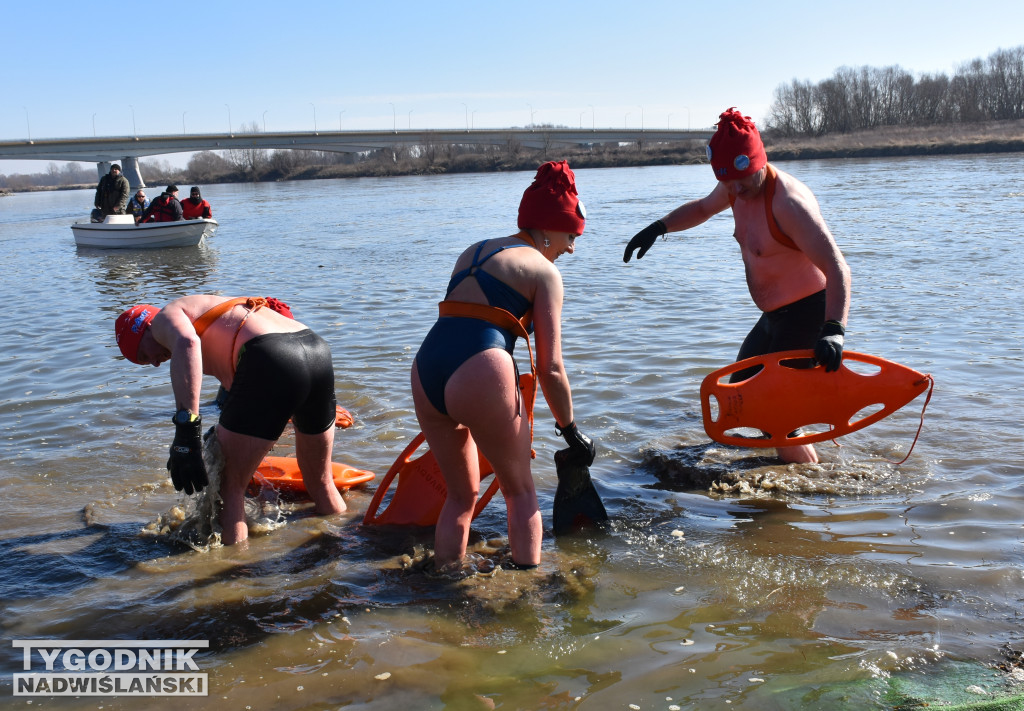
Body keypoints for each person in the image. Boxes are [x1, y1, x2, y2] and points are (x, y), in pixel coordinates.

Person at [622, 107, 851, 464]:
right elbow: (702, 208)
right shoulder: (735, 186)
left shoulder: (788, 203)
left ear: (759, 161)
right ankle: (799, 465)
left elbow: (838, 268)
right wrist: (659, 227)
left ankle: (814, 489)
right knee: (740, 395)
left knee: (772, 411)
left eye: (741, 180)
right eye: (727, 182)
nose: (734, 190)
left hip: (809, 313)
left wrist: (834, 329)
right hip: (775, 316)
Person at [411, 160, 595, 572]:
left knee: (460, 497)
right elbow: (551, 369)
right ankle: (526, 596)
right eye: (570, 236)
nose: (571, 248)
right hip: (481, 368)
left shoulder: (473, 250)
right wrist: (570, 431)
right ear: (548, 228)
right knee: (521, 492)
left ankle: (444, 580)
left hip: (426, 368)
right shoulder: (545, 273)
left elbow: (462, 319)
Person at [114, 295, 347, 545]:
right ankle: (345, 543)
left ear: (144, 328)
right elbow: (259, 396)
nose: (156, 363)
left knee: (229, 488)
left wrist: (187, 430)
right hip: (315, 349)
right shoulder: (211, 315)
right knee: (320, 481)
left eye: (143, 355)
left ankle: (234, 575)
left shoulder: (161, 319)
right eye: (145, 362)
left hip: (270, 355)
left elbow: (187, 342)